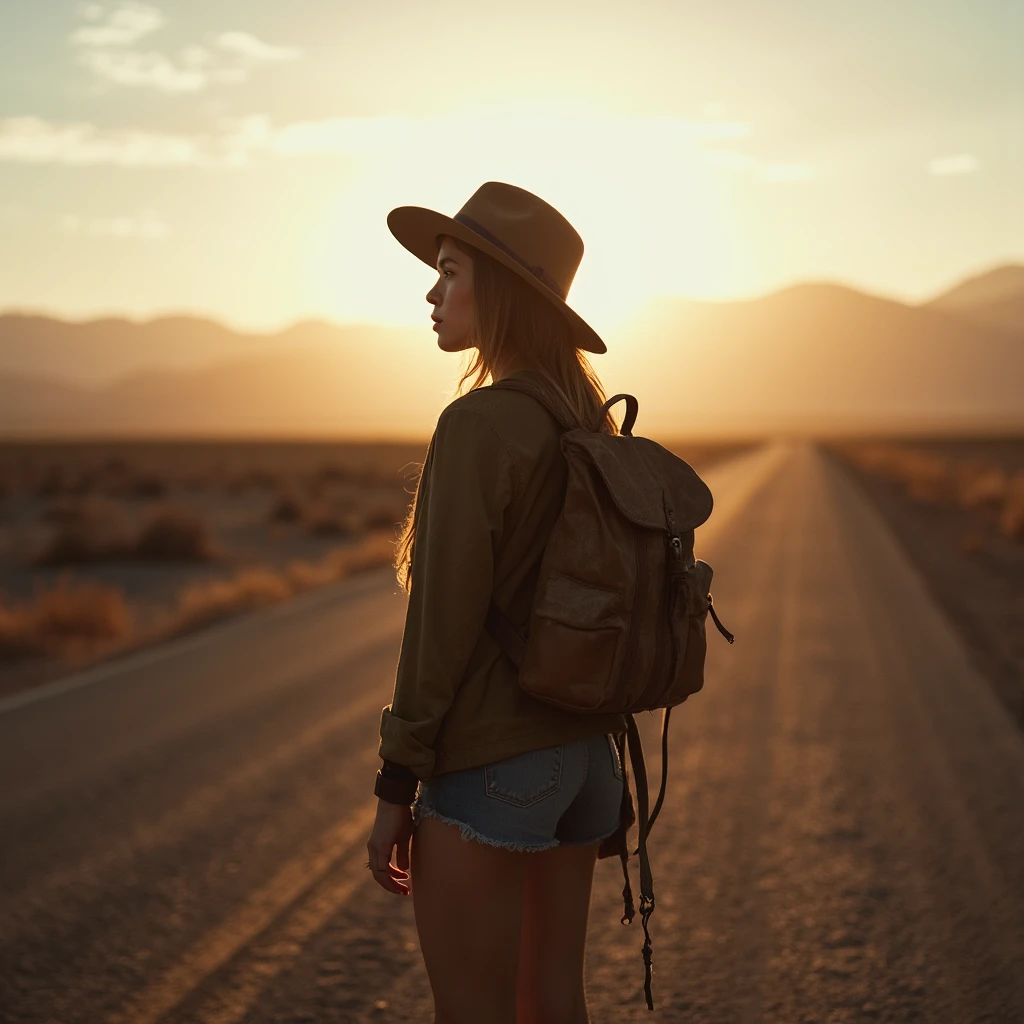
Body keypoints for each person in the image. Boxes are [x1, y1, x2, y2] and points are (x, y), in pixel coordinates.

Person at [366, 181, 630, 1024]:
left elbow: (437, 629)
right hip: (587, 762)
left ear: (503, 292)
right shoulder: (586, 418)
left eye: (450, 272)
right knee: (553, 1002)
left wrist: (394, 783)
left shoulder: (479, 424)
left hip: (495, 765)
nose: (432, 293)